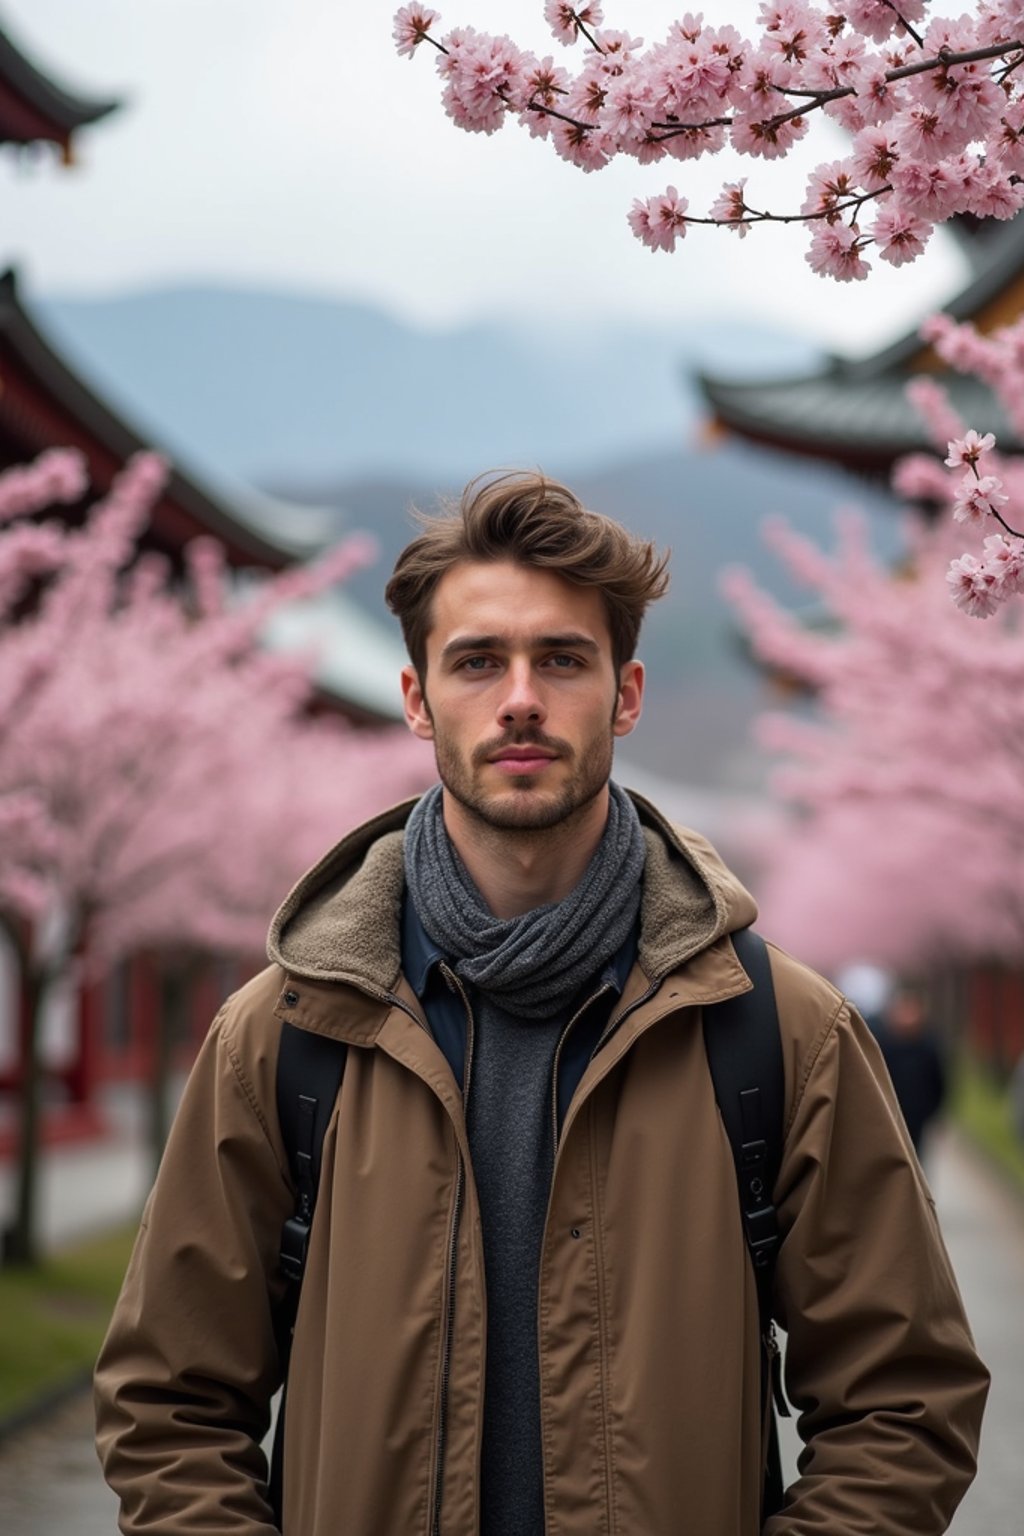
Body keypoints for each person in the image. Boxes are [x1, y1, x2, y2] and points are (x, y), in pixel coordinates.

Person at [95, 472, 988, 1535]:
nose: (520, 696)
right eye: (477, 661)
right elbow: (167, 1403)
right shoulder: (284, 1034)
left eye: (561, 658)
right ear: (418, 698)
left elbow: (906, 1403)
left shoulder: (777, 1032)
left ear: (626, 692)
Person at [873, 982, 948, 1157]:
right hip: (888, 1115)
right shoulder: (884, 1044)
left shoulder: (928, 1045)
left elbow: (938, 1081)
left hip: (917, 1117)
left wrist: (935, 1112)